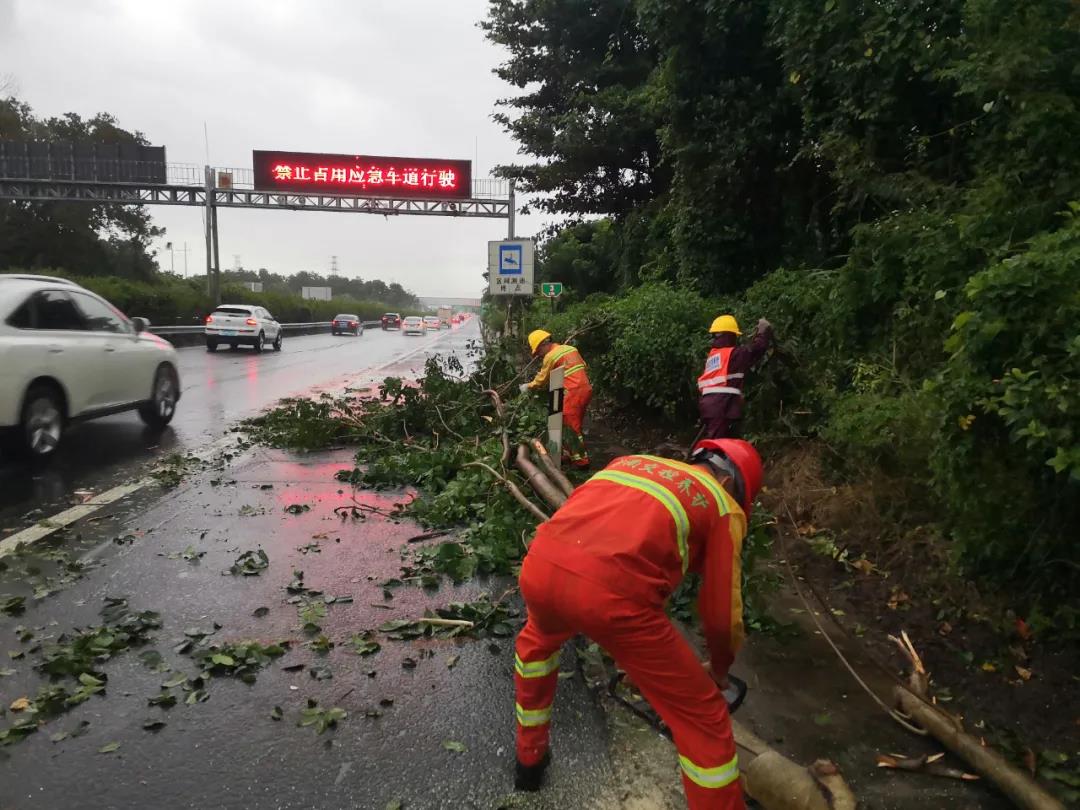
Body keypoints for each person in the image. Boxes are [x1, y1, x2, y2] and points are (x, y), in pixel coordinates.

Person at [513, 439, 764, 810]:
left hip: (541, 565)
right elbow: (721, 614)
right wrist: (720, 669)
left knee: (536, 648)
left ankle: (528, 761)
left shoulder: (629, 462)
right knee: (704, 717)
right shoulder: (722, 505)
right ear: (730, 484)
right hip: (612, 600)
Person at [519, 330, 592, 468]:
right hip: (586, 389)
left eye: (538, 351)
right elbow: (583, 366)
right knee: (575, 422)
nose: (539, 355)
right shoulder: (570, 349)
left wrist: (528, 386)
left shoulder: (551, 356)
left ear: (543, 344)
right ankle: (570, 453)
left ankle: (581, 462)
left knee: (570, 426)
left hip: (573, 392)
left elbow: (541, 380)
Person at [697, 315, 773, 440]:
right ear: (730, 335)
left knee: (722, 442)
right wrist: (763, 331)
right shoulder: (733, 354)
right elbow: (756, 349)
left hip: (711, 405)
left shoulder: (715, 355)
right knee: (720, 444)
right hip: (722, 405)